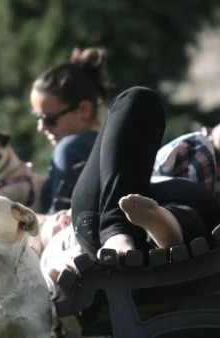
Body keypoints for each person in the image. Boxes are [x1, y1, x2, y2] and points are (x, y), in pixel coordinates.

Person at [70, 86, 220, 260]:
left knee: (199, 202)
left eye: (49, 119)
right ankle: (137, 227)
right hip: (104, 214)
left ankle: (151, 225)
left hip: (117, 220)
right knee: (139, 99)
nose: (43, 126)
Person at [30, 47, 110, 214]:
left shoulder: (70, 149)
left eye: (49, 119)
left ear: (84, 110)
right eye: (37, 117)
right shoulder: (109, 145)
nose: (41, 128)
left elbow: (59, 222)